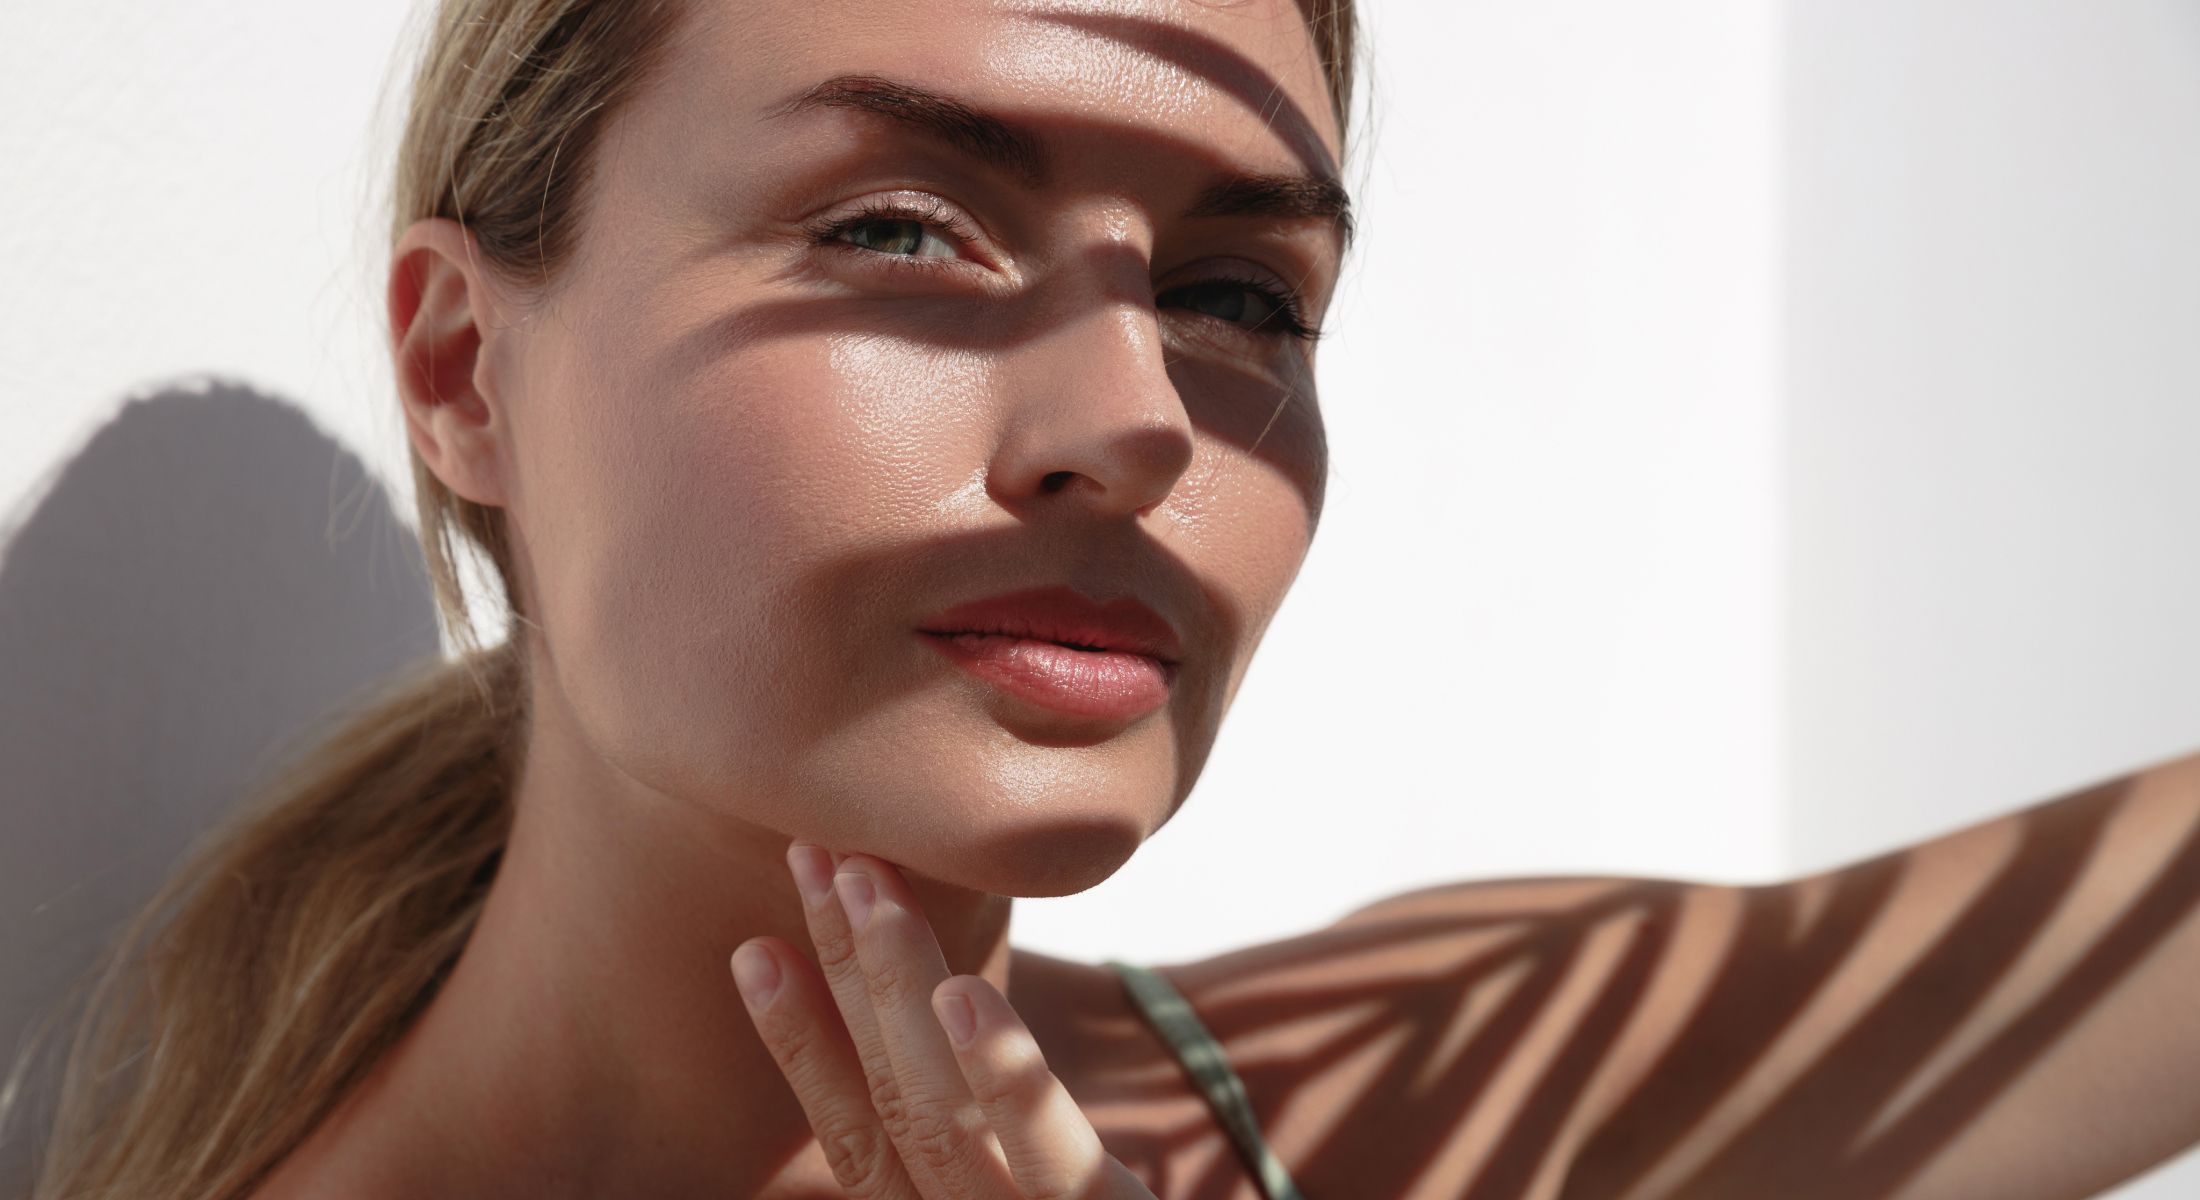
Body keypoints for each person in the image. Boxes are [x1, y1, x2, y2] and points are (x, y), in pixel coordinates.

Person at [13, 0, 2200, 1197]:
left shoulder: (1393, 1102)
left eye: (1242, 293)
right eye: (897, 229)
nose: (1139, 418)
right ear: (461, 371)